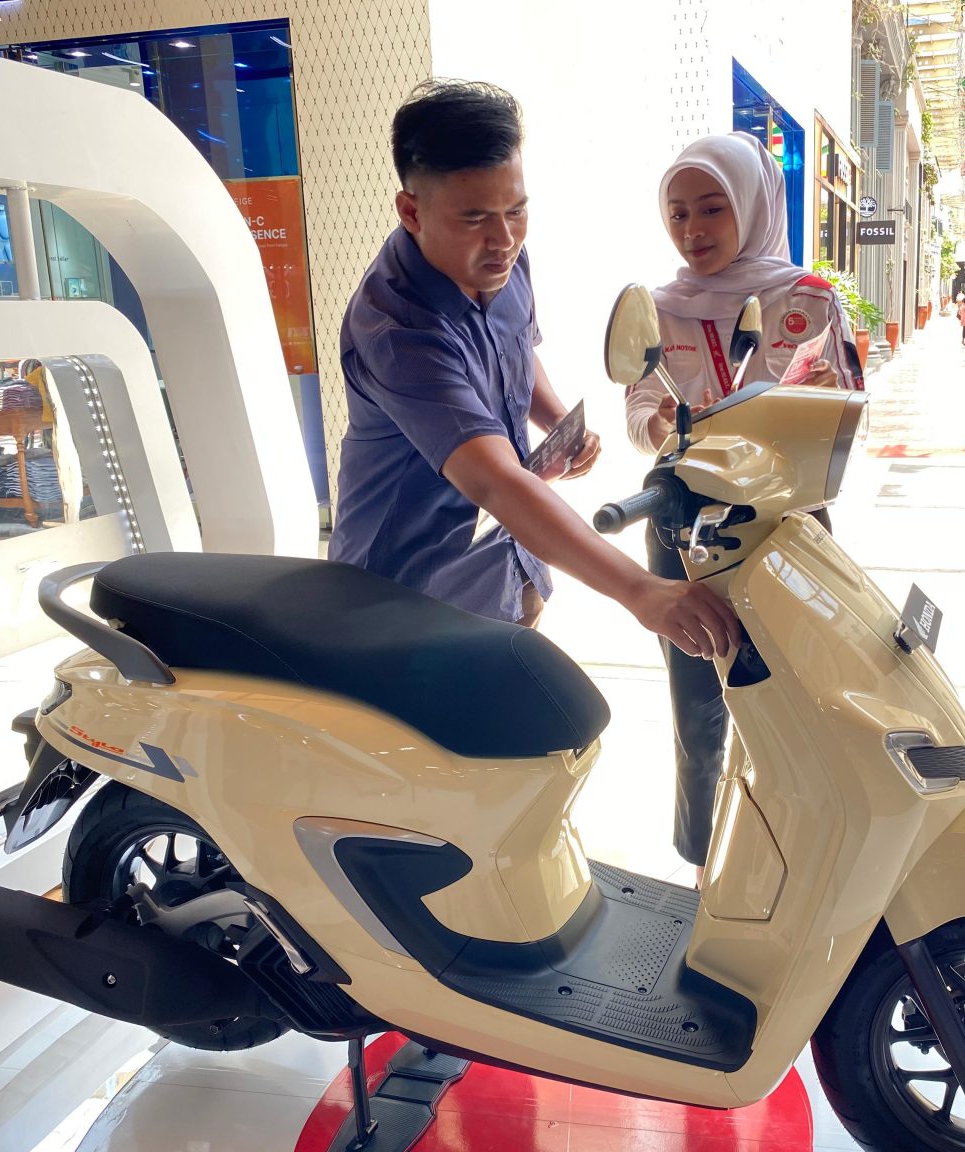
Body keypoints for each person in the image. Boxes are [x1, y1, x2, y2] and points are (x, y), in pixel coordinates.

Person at [329, 80, 738, 661]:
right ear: (410, 211)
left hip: (505, 559)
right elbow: (494, 480)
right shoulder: (397, 329)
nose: (504, 240)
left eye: (516, 211)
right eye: (474, 219)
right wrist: (642, 591)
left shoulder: (505, 262)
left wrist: (551, 418)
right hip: (406, 596)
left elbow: (514, 348)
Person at [625, 132, 861, 879]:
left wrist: (817, 405)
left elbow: (849, 404)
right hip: (681, 528)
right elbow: (638, 399)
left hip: (785, 528)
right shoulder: (656, 309)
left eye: (712, 210)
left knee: (802, 694)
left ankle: (802, 856)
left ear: (754, 205)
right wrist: (657, 428)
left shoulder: (810, 300)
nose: (694, 232)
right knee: (697, 710)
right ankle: (703, 867)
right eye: (678, 214)